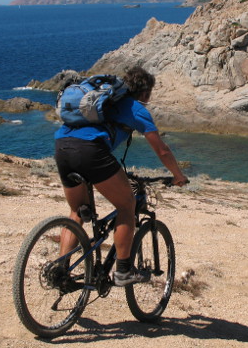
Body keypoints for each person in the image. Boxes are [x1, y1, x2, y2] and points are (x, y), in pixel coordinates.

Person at [54, 66, 189, 285]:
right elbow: (162, 150)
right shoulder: (136, 109)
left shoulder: (104, 102)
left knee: (77, 211)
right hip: (90, 151)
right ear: (145, 93)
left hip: (62, 146)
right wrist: (178, 176)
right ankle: (123, 272)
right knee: (127, 206)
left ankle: (60, 271)